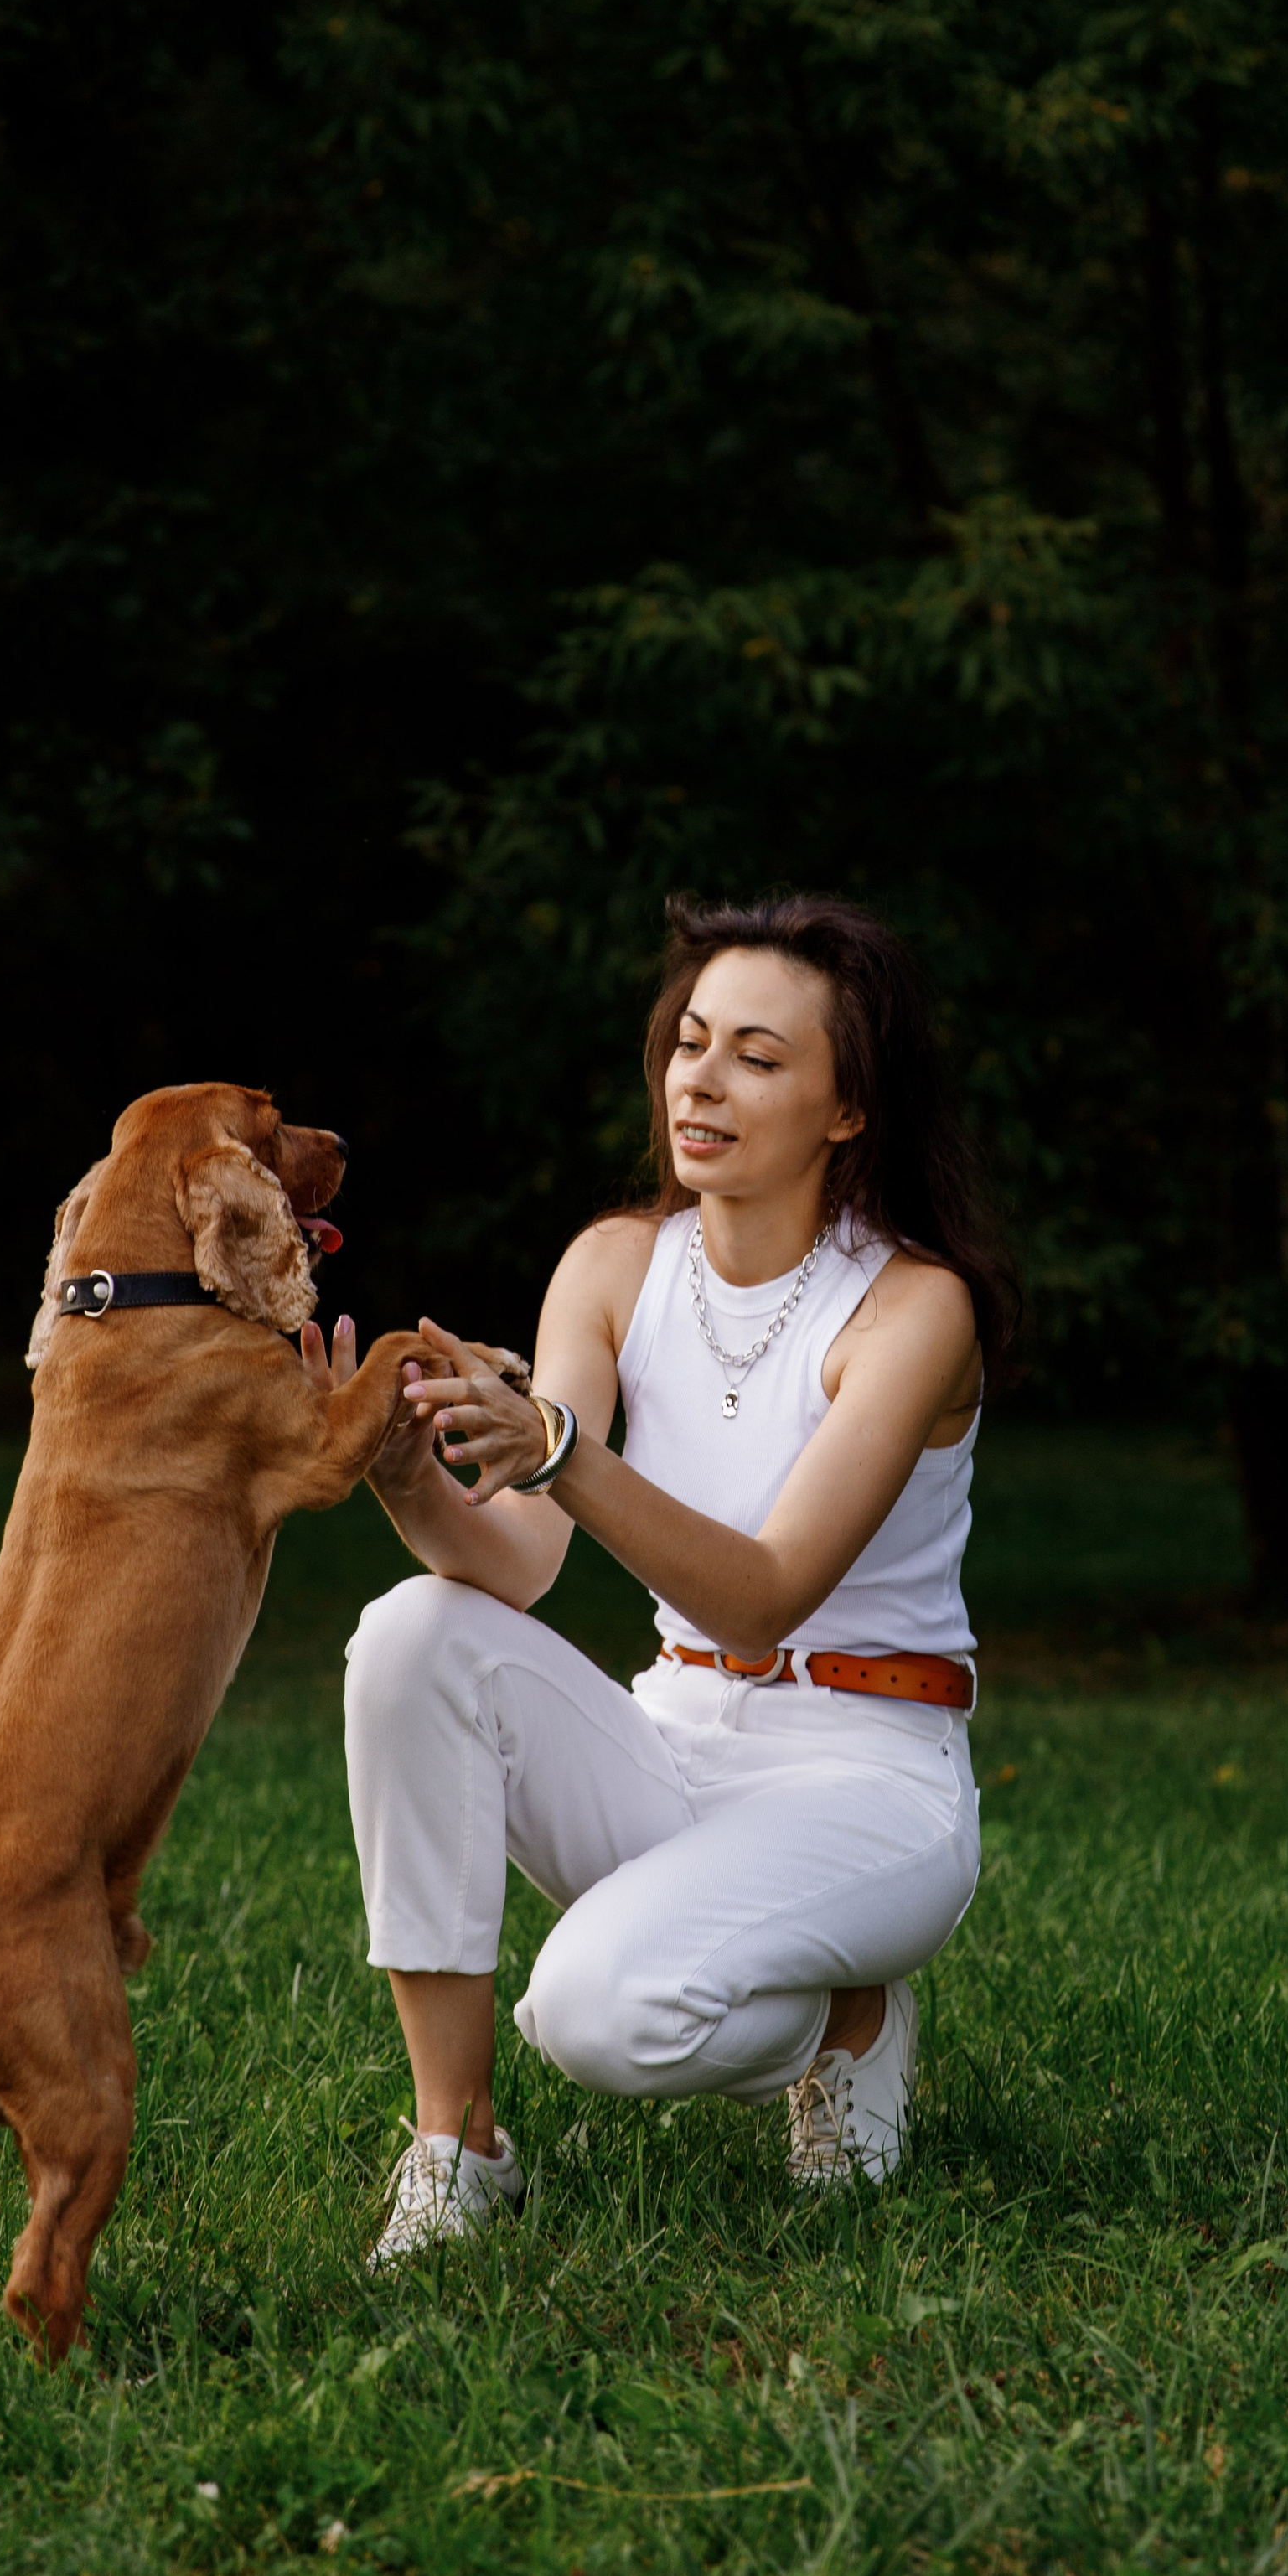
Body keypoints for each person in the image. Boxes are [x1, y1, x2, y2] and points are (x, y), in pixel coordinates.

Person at [311, 892, 1015, 2258]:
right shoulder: (616, 1265)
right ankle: (458, 2146)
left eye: (760, 1055)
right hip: (677, 1733)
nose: (703, 1077)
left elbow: (761, 1591)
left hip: (869, 1773)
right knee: (410, 1636)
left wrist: (562, 1448)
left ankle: (851, 2017)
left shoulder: (916, 1308)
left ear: (848, 1108)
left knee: (597, 2014)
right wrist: (403, 1467)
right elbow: (514, 1563)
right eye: (692, 1041)